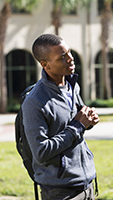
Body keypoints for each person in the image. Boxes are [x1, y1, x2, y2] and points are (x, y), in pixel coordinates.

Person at [22, 34, 99, 200]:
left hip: (87, 183)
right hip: (60, 190)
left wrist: (88, 121)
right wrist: (78, 126)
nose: (71, 59)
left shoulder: (72, 85)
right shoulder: (34, 102)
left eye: (69, 53)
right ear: (45, 65)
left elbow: (75, 120)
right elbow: (41, 151)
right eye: (62, 57)